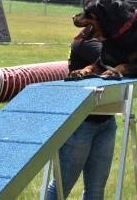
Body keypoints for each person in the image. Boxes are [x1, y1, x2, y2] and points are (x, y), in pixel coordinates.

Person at [46, 38, 117, 200]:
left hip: (106, 121)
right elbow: (116, 57)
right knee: (60, 189)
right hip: (79, 124)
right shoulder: (86, 41)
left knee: (96, 190)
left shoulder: (110, 38)